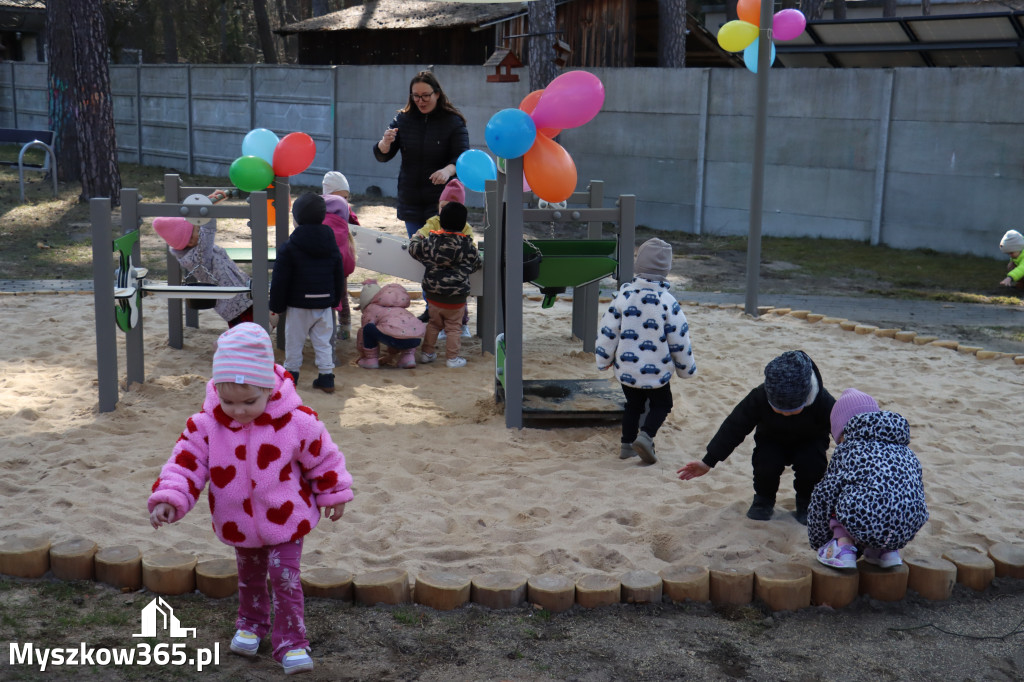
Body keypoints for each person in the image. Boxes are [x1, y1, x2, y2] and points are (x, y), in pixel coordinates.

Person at [147, 323, 353, 675]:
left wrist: (333, 492)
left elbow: (324, 458)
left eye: (249, 402)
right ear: (215, 391)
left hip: (286, 519)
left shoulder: (297, 422)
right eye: (227, 402)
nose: (238, 411)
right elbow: (185, 463)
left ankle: (292, 640)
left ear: (269, 389)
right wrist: (171, 497)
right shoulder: (206, 424)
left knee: (284, 576)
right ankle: (251, 623)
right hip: (237, 520)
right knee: (250, 574)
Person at [677, 350, 835, 523]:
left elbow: (844, 431)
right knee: (765, 465)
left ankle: (807, 503)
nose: (785, 413)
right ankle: (763, 500)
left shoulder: (823, 402)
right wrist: (708, 461)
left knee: (812, 466)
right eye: (778, 409)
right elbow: (734, 426)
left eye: (792, 410)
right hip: (772, 438)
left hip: (810, 440)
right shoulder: (759, 397)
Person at [594, 238, 697, 464]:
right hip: (656, 371)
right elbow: (679, 337)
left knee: (633, 405)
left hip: (627, 368)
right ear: (666, 270)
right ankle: (646, 435)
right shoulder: (667, 301)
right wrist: (685, 369)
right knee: (662, 404)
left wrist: (603, 359)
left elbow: (608, 330)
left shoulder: (624, 296)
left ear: (638, 266)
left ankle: (626, 445)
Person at [808, 388, 928, 569]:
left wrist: (819, 540)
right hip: (907, 526)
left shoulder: (848, 450)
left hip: (865, 521)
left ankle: (843, 547)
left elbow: (825, 493)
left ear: (842, 432)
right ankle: (886, 552)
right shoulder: (904, 449)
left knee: (839, 490)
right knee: (883, 493)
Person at [372, 70, 470, 238]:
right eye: (416, 96)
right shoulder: (403, 119)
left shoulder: (453, 121)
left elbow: (462, 157)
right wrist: (384, 143)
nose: (420, 101)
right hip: (411, 198)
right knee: (417, 248)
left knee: (439, 251)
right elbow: (383, 155)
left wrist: (446, 171)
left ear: (437, 94)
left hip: (442, 200)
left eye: (426, 96)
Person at [269, 193, 345, 393]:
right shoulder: (330, 243)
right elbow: (339, 272)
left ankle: (291, 377)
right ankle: (327, 377)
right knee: (323, 342)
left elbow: (280, 278)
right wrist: (335, 299)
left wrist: (276, 306)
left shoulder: (290, 246)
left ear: (296, 218)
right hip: (324, 304)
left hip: (298, 305)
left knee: (294, 342)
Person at [408, 201, 481, 368]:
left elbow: (414, 249)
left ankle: (427, 353)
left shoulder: (432, 242)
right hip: (456, 298)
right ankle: (452, 358)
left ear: (440, 221)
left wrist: (417, 236)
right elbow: (476, 264)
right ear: (463, 225)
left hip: (434, 295)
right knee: (454, 328)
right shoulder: (468, 246)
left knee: (434, 324)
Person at [153, 216, 253, 327]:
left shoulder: (191, 253)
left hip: (239, 299)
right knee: (250, 330)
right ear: (190, 241)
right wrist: (209, 209)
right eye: (197, 229)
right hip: (237, 304)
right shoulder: (199, 255)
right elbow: (209, 229)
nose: (201, 228)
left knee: (250, 329)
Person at [413, 178, 473, 338]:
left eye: (450, 207)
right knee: (437, 306)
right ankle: (440, 328)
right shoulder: (434, 222)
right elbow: (424, 231)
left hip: (457, 275)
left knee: (461, 305)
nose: (446, 211)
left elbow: (469, 244)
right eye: (442, 207)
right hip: (439, 275)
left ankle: (463, 325)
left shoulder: (465, 227)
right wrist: (419, 235)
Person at [321, 171, 360, 341]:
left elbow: (357, 229)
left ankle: (344, 326)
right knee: (333, 294)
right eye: (340, 196)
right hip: (325, 259)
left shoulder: (346, 209)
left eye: (346, 197)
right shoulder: (319, 208)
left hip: (341, 260)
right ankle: (331, 327)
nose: (343, 201)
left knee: (342, 294)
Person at [354, 279, 426, 370]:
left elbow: (363, 333)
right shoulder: (401, 308)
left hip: (394, 338)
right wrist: (392, 353)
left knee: (368, 328)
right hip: (415, 340)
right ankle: (408, 358)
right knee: (403, 329)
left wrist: (363, 354)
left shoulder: (371, 308)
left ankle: (370, 360)